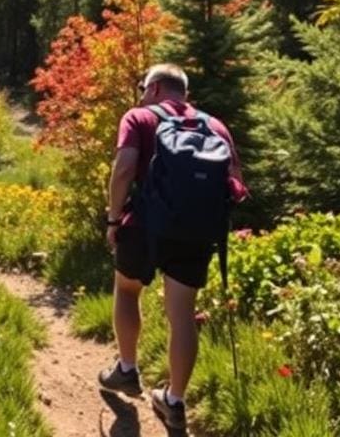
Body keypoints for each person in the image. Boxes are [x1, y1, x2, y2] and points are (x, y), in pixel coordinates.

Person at [98, 63, 245, 431]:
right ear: (185, 92)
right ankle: (175, 402)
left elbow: (124, 168)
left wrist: (114, 219)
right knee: (182, 313)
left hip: (145, 226)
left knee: (127, 290)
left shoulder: (138, 117)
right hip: (196, 232)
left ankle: (127, 370)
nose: (142, 94)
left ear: (156, 88)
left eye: (144, 88)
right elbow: (236, 181)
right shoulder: (215, 125)